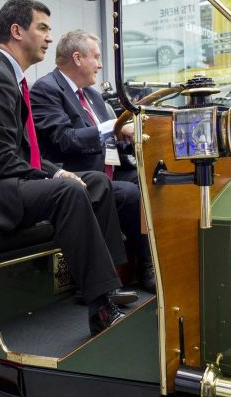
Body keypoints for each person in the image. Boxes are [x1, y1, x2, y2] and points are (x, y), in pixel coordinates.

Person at [0, 0, 136, 335]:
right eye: (43, 28)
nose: (50, 37)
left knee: (93, 181)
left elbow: (22, 152)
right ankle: (100, 307)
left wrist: (56, 171)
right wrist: (56, 175)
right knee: (67, 190)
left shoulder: (10, 78)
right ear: (17, 31)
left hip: (3, 178)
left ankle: (108, 282)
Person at [30, 29, 156, 294]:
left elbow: (108, 139)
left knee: (152, 182)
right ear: (77, 58)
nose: (100, 65)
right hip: (78, 175)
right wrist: (113, 126)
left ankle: (155, 263)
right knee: (132, 193)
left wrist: (126, 137)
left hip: (111, 169)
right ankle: (133, 272)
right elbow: (64, 139)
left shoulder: (93, 96)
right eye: (96, 58)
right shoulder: (45, 90)